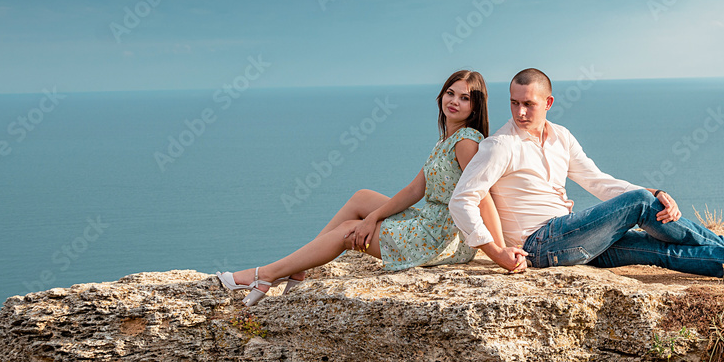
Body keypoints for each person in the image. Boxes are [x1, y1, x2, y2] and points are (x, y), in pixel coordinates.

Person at [449, 68, 724, 282]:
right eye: (514, 103)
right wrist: (495, 251)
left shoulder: (561, 137)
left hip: (574, 236)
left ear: (549, 103)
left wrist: (657, 191)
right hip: (540, 244)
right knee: (637, 203)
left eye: (529, 104)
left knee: (659, 250)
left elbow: (599, 182)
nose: (521, 111)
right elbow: (462, 200)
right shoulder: (500, 146)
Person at [217, 70, 510, 306]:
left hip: (439, 237)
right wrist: (372, 217)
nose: (454, 102)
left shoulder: (466, 141)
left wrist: (498, 251)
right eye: (450, 93)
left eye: (465, 98)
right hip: (430, 220)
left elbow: (481, 196)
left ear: (475, 107)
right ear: (441, 95)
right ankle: (298, 268)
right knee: (362, 198)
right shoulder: (446, 140)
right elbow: (413, 191)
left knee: (348, 230)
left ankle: (264, 275)